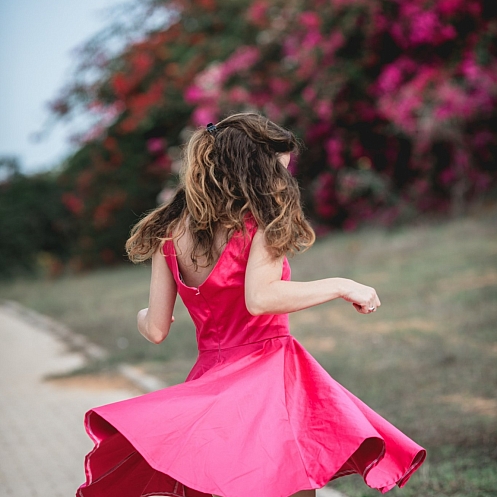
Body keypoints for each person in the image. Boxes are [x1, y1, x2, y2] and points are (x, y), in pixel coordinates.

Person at [77, 113, 425, 497]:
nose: (283, 182)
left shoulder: (170, 232)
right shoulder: (261, 221)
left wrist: (142, 316)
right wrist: (342, 285)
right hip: (269, 381)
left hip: (212, 382)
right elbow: (261, 298)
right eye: (279, 171)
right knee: (287, 485)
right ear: (254, 170)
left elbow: (157, 329)